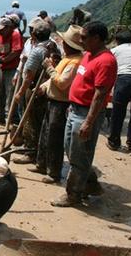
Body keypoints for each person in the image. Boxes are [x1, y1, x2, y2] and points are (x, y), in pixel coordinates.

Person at [52, 21, 117, 207]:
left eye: (84, 37)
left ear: (96, 38)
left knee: (79, 156)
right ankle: (90, 184)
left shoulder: (106, 61)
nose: (80, 41)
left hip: (86, 113)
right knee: (72, 151)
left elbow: (100, 95)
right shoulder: (88, 55)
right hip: (75, 110)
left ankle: (73, 195)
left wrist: (89, 121)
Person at [30, 25, 83, 183]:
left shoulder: (74, 62)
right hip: (53, 100)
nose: (62, 44)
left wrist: (49, 68)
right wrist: (43, 87)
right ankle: (41, 164)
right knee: (45, 134)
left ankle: (53, 172)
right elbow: (55, 80)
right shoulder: (67, 58)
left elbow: (61, 83)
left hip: (61, 104)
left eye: (64, 42)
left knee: (54, 138)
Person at [12, 20, 53, 164]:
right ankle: (38, 152)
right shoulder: (53, 47)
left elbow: (29, 75)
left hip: (35, 89)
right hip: (47, 89)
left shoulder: (38, 51)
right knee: (40, 122)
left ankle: (30, 153)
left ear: (34, 34)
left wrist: (20, 92)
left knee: (31, 121)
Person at [107, 29, 131, 152]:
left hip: (124, 80)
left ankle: (114, 142)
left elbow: (109, 66)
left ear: (117, 41)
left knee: (118, 112)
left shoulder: (115, 50)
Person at [0, 16, 23, 125]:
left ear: (9, 28)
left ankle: (9, 118)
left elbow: (15, 52)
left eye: (2, 29)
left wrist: (3, 60)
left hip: (12, 69)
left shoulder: (15, 35)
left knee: (10, 93)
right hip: (1, 68)